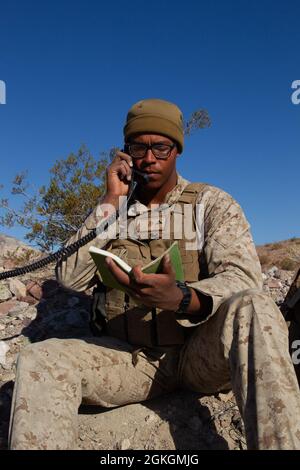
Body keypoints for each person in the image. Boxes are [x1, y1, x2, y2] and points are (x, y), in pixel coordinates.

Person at [9, 99, 300, 450]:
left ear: (176, 149)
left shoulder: (211, 203)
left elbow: (242, 277)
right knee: (39, 358)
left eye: (160, 147)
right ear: (126, 153)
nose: (149, 158)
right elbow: (70, 277)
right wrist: (110, 199)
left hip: (198, 356)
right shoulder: (115, 211)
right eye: (138, 147)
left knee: (255, 306)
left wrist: (183, 298)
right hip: (131, 361)